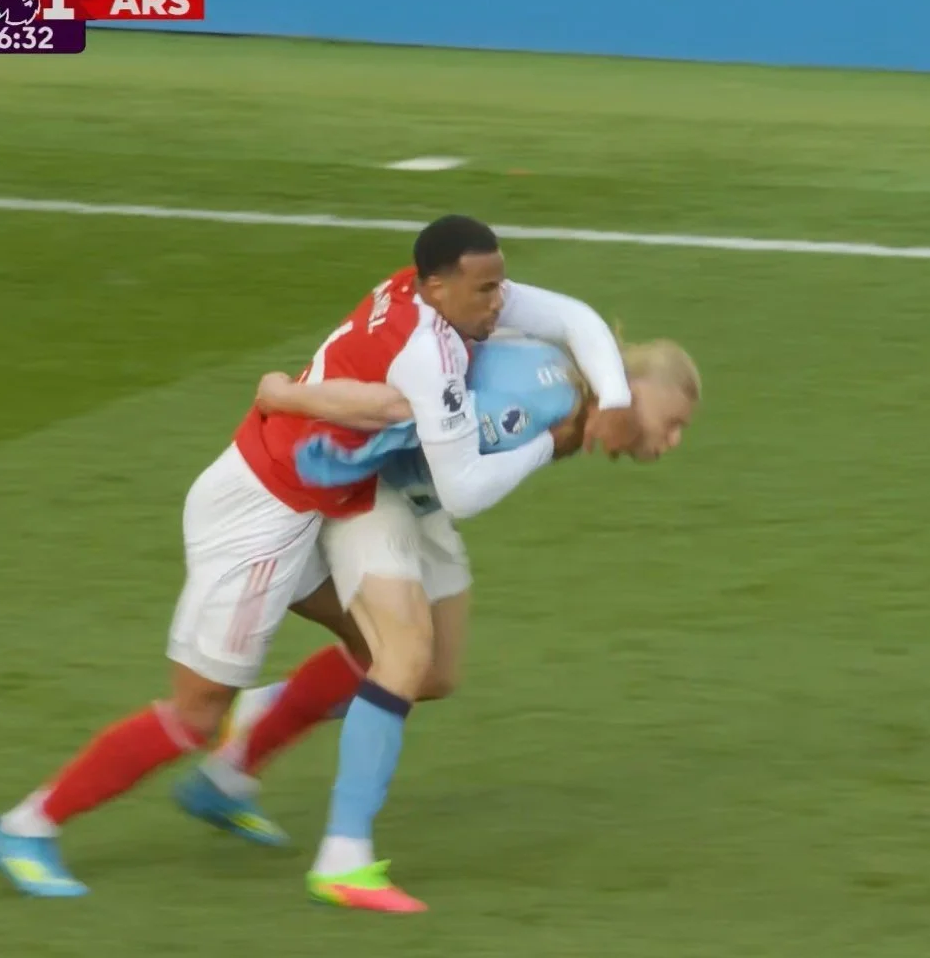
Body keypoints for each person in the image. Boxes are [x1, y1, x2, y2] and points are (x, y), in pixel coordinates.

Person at [0, 213, 638, 899]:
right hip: (263, 515)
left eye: (501, 285)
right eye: (486, 290)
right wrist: (549, 442)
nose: (501, 302)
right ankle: (28, 825)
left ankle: (239, 781)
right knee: (197, 712)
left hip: (329, 501)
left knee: (399, 660)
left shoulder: (430, 295)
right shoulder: (428, 353)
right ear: (437, 287)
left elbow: (574, 317)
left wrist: (615, 397)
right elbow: (464, 491)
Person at [182, 332, 701, 913]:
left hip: (418, 498)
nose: (673, 441)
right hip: (374, 487)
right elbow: (435, 447)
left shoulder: (574, 404)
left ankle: (237, 759)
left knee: (435, 673)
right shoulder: (542, 400)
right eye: (672, 422)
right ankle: (343, 857)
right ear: (632, 388)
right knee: (403, 656)